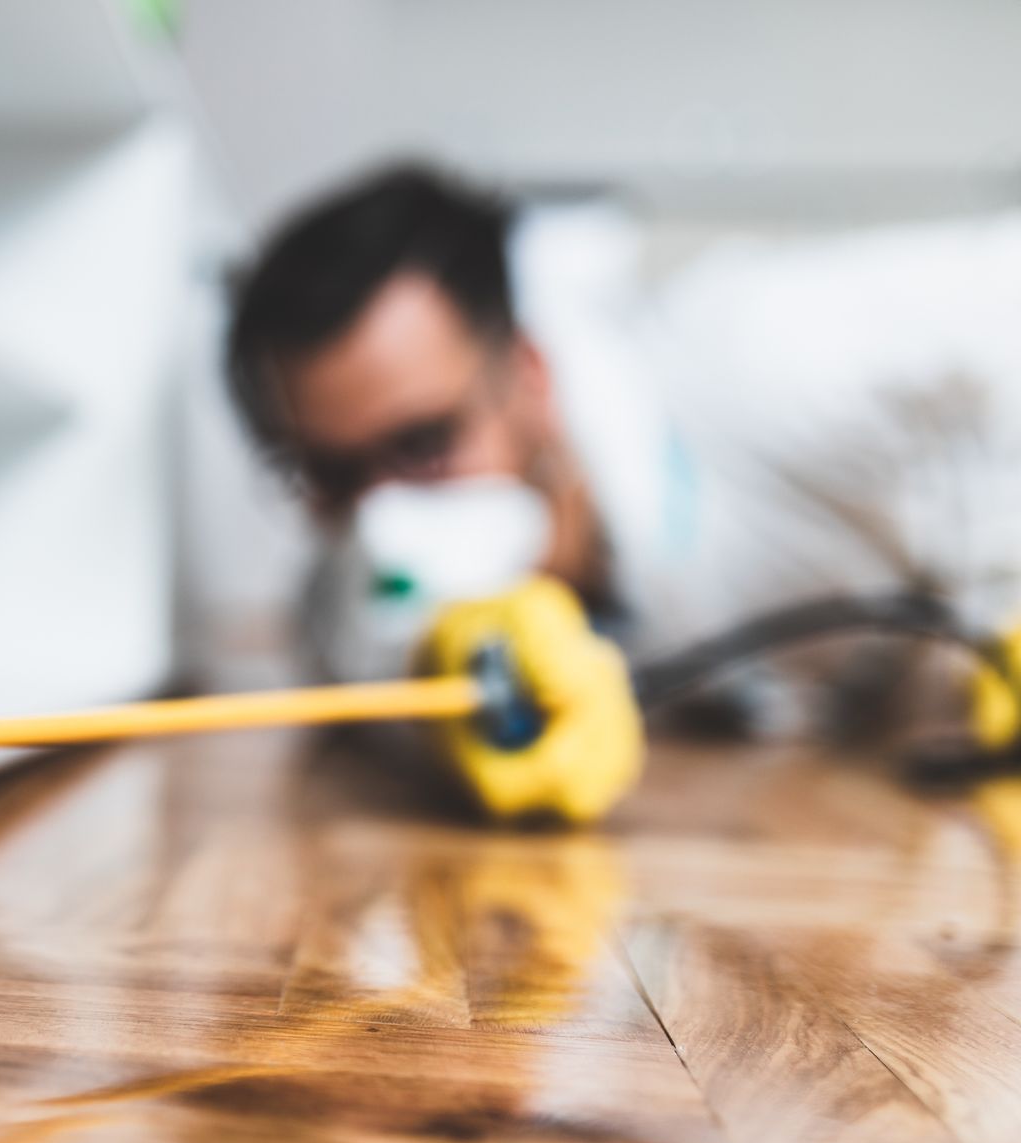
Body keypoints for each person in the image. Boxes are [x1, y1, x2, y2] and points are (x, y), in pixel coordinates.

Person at [224, 163, 1021, 817]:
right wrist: (449, 684)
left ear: (529, 374)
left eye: (425, 445)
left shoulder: (774, 357)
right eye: (333, 475)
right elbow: (338, 641)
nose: (383, 520)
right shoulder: (347, 594)